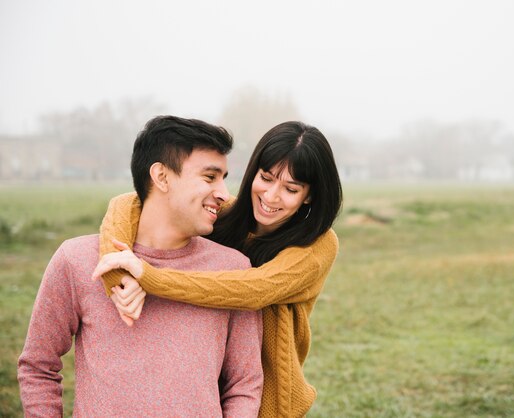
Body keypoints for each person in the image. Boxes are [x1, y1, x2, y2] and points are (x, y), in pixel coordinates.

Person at [91, 120, 343, 417]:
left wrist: (148, 277)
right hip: (201, 387)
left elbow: (255, 288)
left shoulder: (318, 244)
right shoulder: (225, 216)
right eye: (266, 178)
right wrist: (118, 276)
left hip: (267, 403)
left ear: (309, 195)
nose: (272, 196)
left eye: (290, 188)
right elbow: (129, 203)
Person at [18, 116, 263, 417]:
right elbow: (38, 366)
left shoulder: (234, 270)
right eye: (210, 177)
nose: (225, 194)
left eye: (224, 178)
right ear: (161, 176)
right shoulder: (77, 260)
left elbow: (244, 385)